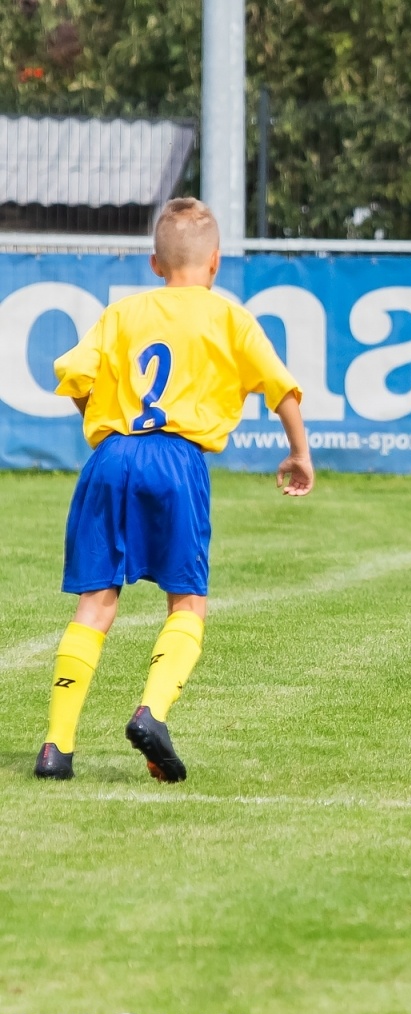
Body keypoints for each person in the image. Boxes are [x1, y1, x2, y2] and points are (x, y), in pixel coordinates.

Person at [34, 197, 313, 783]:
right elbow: (279, 386)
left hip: (111, 457)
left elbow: (73, 374)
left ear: (156, 264)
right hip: (178, 458)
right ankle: (151, 714)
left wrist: (98, 424)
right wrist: (299, 452)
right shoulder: (229, 317)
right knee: (187, 602)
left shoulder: (123, 313)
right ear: (214, 264)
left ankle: (57, 747)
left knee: (96, 602)